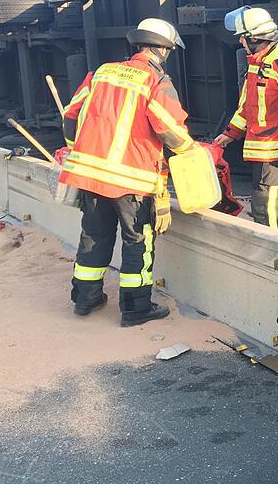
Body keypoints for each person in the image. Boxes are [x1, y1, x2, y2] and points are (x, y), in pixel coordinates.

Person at [59, 18, 195, 326]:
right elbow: (170, 129)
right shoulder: (155, 80)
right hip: (132, 180)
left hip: (90, 177)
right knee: (138, 241)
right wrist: (190, 152)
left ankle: (85, 299)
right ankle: (135, 308)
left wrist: (79, 152)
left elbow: (71, 117)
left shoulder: (101, 73)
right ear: (163, 49)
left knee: (94, 235)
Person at [212, 7, 278, 234]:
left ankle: (274, 261)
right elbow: (248, 105)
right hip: (264, 150)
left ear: (255, 38)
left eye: (243, 36)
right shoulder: (260, 60)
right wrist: (230, 134)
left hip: (277, 152)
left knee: (266, 209)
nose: (240, 41)